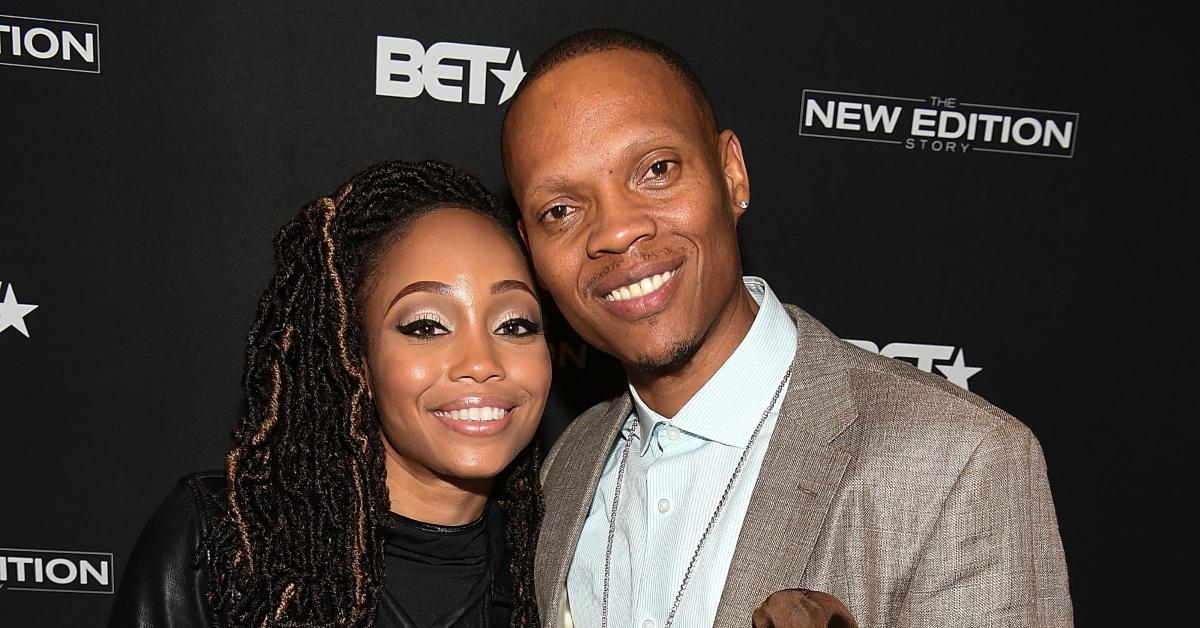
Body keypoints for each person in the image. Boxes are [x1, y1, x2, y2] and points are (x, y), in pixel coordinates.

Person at [501, 29, 1073, 628]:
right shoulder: (567, 463)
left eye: (656, 170)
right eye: (560, 210)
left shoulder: (960, 460)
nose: (615, 231)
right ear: (531, 248)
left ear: (732, 176)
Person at [108, 160, 550, 627]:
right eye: (426, 326)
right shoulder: (224, 541)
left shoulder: (558, 564)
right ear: (355, 356)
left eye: (514, 324)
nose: (481, 363)